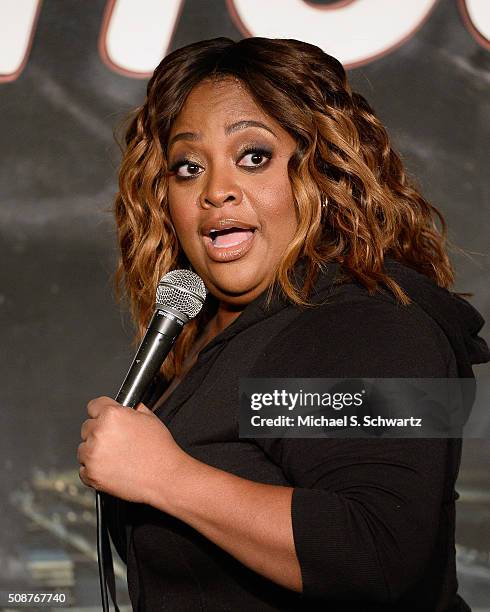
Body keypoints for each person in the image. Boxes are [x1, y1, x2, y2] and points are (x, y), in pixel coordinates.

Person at [77, 37, 489, 611]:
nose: (216, 191)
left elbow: (381, 554)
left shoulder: (373, 325)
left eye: (253, 156)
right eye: (188, 167)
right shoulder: (219, 339)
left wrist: (166, 477)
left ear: (323, 173)